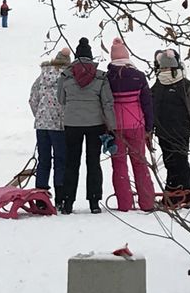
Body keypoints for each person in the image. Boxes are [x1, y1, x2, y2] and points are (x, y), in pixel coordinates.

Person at [57, 37, 116, 214]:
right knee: (93, 162)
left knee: (71, 163)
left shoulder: (66, 75)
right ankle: (94, 201)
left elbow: (61, 99)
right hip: (95, 124)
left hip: (72, 124)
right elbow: (107, 102)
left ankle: (68, 202)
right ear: (91, 57)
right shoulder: (100, 77)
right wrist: (111, 126)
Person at [150, 49, 190, 210]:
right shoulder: (157, 87)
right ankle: (176, 195)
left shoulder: (186, 86)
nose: (163, 71)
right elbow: (152, 111)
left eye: (166, 68)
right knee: (171, 163)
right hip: (164, 132)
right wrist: (149, 130)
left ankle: (185, 195)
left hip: (179, 131)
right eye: (162, 68)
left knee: (179, 163)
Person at [106, 38, 156, 213]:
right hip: (137, 125)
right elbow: (147, 103)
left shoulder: (107, 78)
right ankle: (147, 202)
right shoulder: (139, 76)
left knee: (119, 165)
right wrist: (149, 127)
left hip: (115, 127)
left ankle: (124, 203)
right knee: (140, 163)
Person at [28, 48, 70, 197]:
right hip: (60, 125)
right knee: (60, 160)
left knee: (43, 160)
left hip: (42, 125)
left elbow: (32, 100)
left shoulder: (42, 76)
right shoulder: (67, 78)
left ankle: (40, 195)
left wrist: (39, 115)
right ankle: (60, 196)